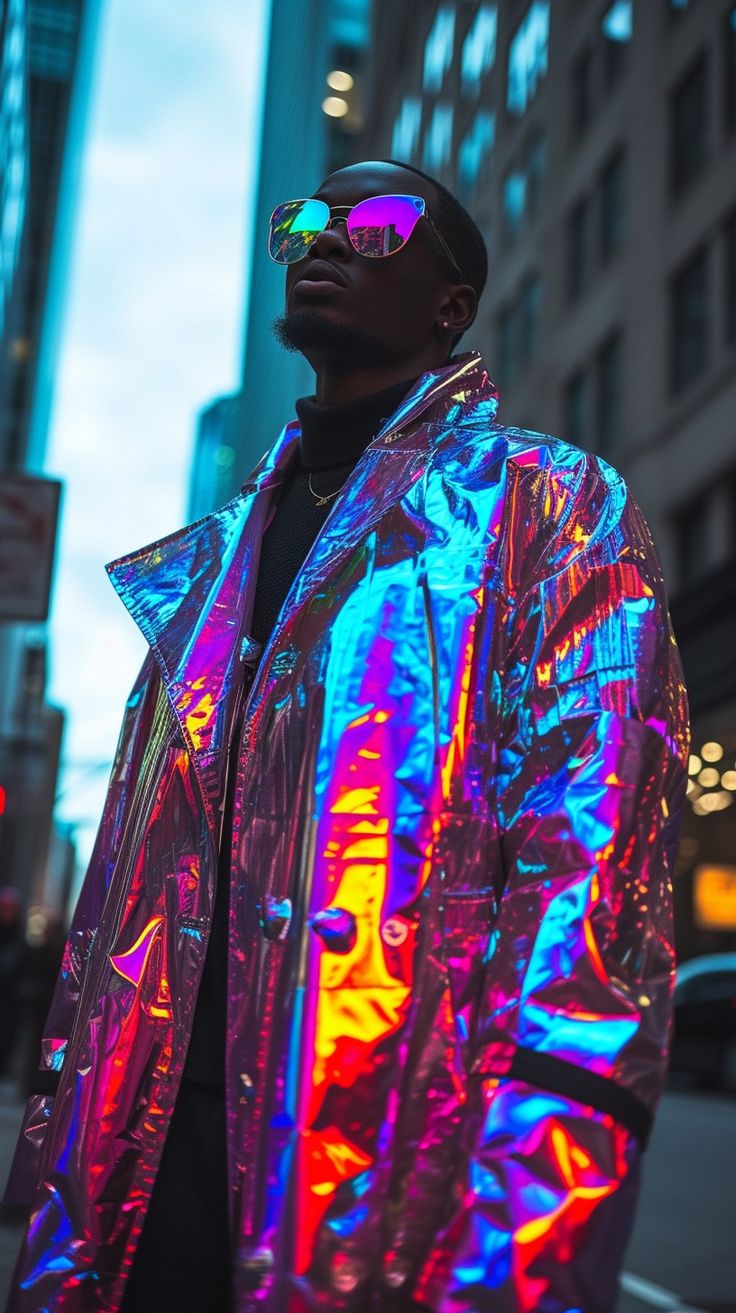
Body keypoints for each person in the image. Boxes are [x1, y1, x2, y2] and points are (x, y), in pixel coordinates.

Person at [4, 159, 689, 1313]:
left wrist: (512, 1263)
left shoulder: (549, 507)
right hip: (138, 1185)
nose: (323, 241)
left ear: (450, 303)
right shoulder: (202, 572)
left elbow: (592, 906)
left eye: (372, 225)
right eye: (304, 222)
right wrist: (55, 1176)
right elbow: (108, 930)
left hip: (394, 1195)